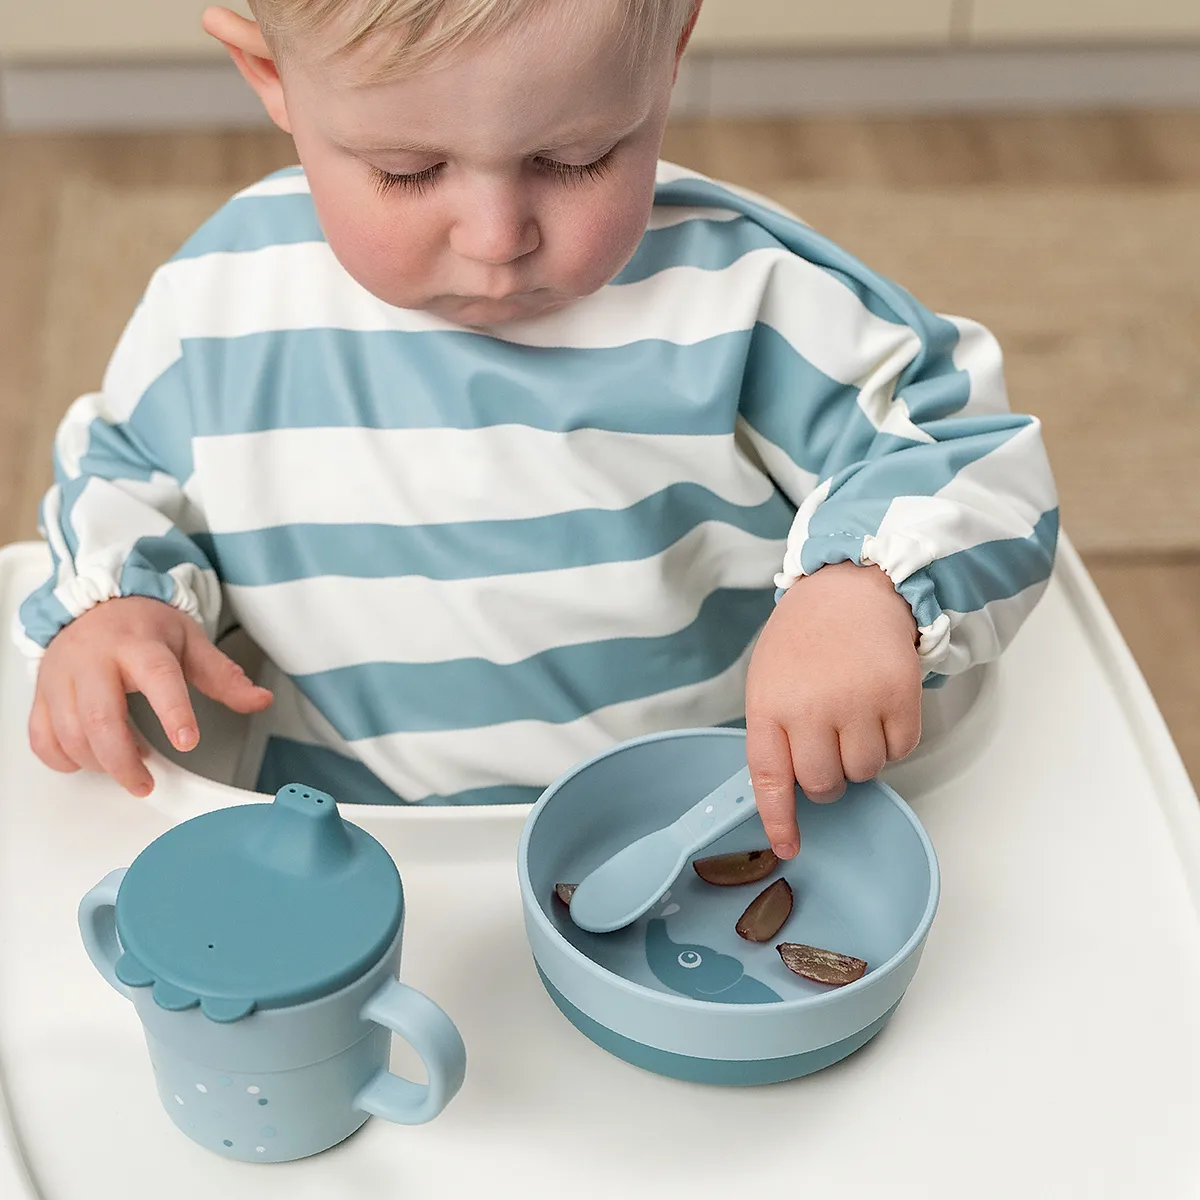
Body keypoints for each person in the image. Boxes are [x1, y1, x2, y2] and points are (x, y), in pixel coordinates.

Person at [14, 0, 1058, 862]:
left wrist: (866, 587)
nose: (496, 236)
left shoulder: (743, 300)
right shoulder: (221, 306)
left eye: (574, 157)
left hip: (705, 841)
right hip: (345, 856)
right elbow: (125, 471)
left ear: (672, 52)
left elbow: (967, 450)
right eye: (409, 170)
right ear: (269, 76)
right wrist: (115, 608)